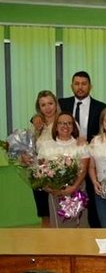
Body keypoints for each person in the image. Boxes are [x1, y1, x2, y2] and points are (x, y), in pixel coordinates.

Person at [58, 71, 106, 228]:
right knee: (68, 206)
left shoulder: (101, 107)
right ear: (71, 85)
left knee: (92, 204)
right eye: (77, 83)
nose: (80, 87)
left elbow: (105, 132)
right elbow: (46, 115)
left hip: (92, 161)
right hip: (68, 163)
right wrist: (36, 119)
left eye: (83, 84)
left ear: (90, 86)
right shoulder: (62, 104)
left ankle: (93, 236)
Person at [37, 112, 90, 228]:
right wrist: (48, 187)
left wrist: (73, 187)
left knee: (80, 227)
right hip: (55, 193)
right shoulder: (46, 146)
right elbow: (41, 171)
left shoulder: (81, 145)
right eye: (61, 123)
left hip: (78, 191)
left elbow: (84, 170)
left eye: (69, 123)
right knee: (59, 229)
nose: (65, 126)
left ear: (73, 127)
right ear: (56, 126)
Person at [30, 90, 60, 227]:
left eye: (50, 103)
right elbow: (29, 149)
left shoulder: (64, 122)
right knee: (45, 216)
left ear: (56, 104)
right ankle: (47, 247)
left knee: (62, 214)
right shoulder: (35, 126)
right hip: (40, 176)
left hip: (61, 176)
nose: (47, 108)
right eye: (43, 105)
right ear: (39, 108)